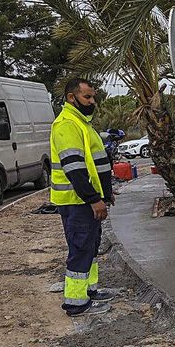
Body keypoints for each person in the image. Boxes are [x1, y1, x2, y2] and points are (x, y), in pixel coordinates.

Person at [50, 78, 116, 317]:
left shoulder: (83, 124)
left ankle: (90, 291)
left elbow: (97, 163)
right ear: (71, 98)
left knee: (90, 246)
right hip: (76, 201)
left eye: (93, 97)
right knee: (80, 248)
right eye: (87, 97)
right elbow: (75, 169)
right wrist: (93, 199)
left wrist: (106, 194)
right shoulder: (67, 125)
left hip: (85, 200)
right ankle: (76, 303)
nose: (93, 102)